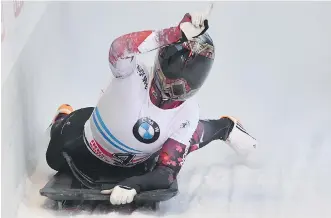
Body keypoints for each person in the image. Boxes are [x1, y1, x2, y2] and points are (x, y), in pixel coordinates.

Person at [46, 10, 257, 206]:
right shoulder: (132, 73)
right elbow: (119, 48)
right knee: (54, 153)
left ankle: (225, 128)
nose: (179, 85)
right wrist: (171, 35)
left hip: (138, 162)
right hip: (85, 141)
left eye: (190, 76)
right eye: (175, 70)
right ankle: (63, 115)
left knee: (188, 136)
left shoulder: (188, 111)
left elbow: (167, 171)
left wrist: (136, 184)